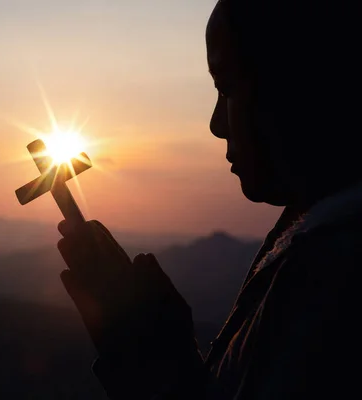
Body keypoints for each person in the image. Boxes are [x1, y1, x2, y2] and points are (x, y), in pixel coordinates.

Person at [57, 0, 362, 398]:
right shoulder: (310, 239)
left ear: (300, 82)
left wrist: (145, 359)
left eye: (226, 88)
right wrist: (168, 353)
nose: (216, 125)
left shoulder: (329, 273)